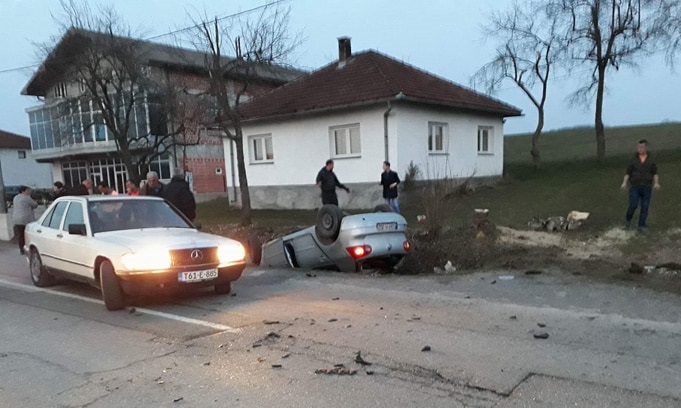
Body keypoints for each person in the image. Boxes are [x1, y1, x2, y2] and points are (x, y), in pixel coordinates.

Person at [621, 139, 660, 232]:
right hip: (635, 186)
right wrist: (624, 182)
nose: (640, 149)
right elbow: (628, 173)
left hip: (647, 186)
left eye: (642, 147)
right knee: (633, 204)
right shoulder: (633, 160)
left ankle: (641, 225)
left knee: (645, 206)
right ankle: (628, 220)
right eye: (639, 147)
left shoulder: (651, 160)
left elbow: (655, 173)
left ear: (646, 148)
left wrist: (656, 183)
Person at [12, 186, 38, 255]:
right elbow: (35, 205)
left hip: (16, 219)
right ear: (23, 191)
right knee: (28, 234)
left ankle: (21, 249)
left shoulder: (15, 197)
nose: (29, 192)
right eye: (28, 190)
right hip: (26, 219)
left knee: (20, 235)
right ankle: (28, 248)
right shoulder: (26, 197)